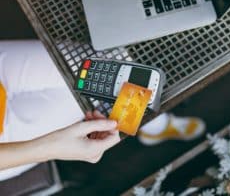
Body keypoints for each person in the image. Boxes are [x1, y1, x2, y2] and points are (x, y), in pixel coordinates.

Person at [0, 40, 206, 182]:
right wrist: (50, 149)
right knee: (118, 81)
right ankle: (155, 126)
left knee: (113, 63)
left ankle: (148, 123)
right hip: (9, 140)